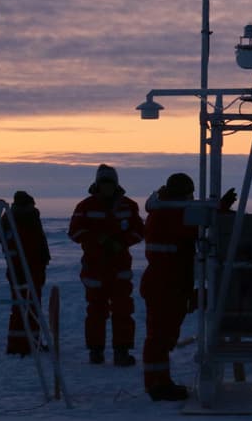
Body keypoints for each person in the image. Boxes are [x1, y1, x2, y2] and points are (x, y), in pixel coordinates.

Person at [141, 174, 237, 401]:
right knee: (159, 337)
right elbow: (197, 227)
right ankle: (157, 385)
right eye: (190, 195)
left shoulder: (165, 210)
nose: (192, 199)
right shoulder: (169, 214)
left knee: (162, 336)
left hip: (168, 283)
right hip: (165, 285)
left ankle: (159, 382)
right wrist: (221, 210)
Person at [68, 164, 144, 366]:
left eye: (110, 182)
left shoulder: (129, 206)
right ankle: (96, 351)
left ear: (116, 183)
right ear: (97, 184)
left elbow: (139, 231)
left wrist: (122, 242)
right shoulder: (85, 206)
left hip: (120, 268)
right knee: (96, 311)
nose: (107, 187)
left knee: (123, 310)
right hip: (94, 268)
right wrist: (98, 240)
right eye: (104, 183)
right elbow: (74, 232)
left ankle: (122, 351)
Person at [2, 191, 51, 355]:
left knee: (31, 307)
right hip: (21, 268)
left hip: (34, 267)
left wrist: (44, 259)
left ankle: (31, 343)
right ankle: (19, 345)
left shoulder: (29, 218)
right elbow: (11, 244)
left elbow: (39, 241)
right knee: (21, 307)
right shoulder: (12, 219)